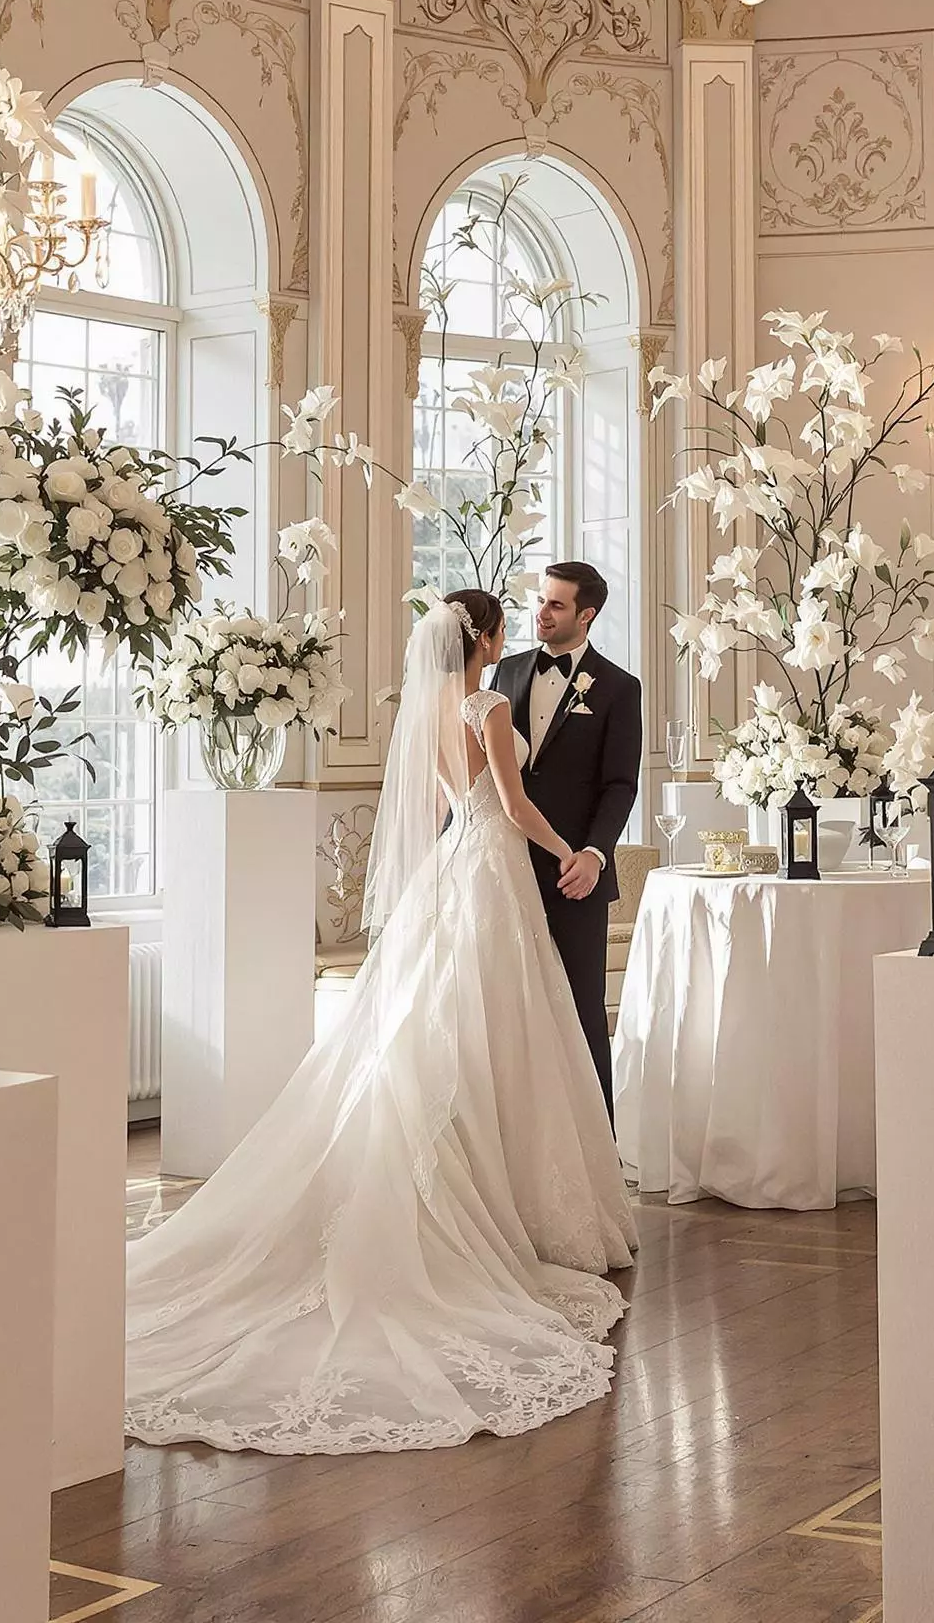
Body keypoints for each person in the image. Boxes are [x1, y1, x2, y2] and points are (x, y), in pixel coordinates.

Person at [119, 590, 635, 1454]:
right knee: (499, 1030)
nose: (517, 631)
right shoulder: (488, 702)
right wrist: (570, 852)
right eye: (507, 622)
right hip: (494, 870)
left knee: (444, 1027)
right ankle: (507, 1201)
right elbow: (510, 807)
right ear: (487, 639)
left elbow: (453, 798)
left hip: (452, 868)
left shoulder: (426, 707)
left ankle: (474, 1174)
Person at [488, 563, 643, 1121]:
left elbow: (621, 785)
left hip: (574, 873)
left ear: (587, 614)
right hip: (502, 865)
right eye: (540, 601)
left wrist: (595, 855)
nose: (541, 613)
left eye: (555, 605)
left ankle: (599, 1144)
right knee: (507, 1009)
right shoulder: (503, 672)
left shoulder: (621, 688)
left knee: (581, 1008)